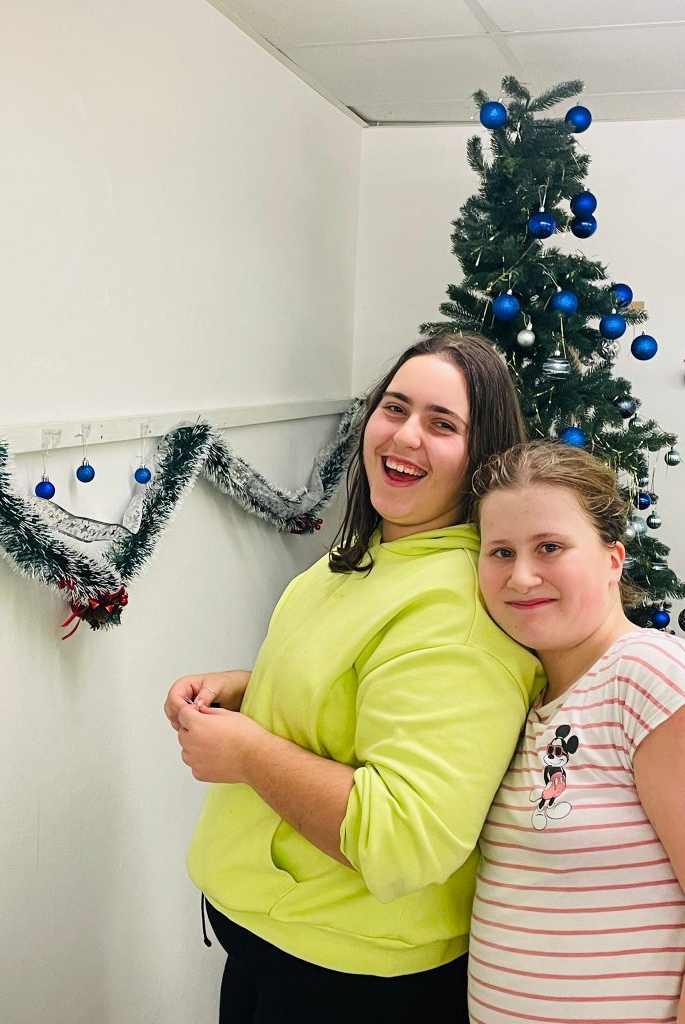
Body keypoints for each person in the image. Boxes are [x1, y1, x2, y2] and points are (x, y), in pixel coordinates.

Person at [165, 331, 544, 1024]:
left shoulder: (457, 613)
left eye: (442, 424)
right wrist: (254, 689)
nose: (405, 436)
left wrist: (247, 752)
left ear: (482, 457)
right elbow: (364, 688)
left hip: (346, 978)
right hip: (272, 945)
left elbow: (403, 838)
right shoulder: (373, 552)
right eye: (394, 408)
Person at [468, 440, 685, 1024]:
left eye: (550, 547)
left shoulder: (649, 676)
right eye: (501, 552)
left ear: (613, 559)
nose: (521, 577)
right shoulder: (524, 696)